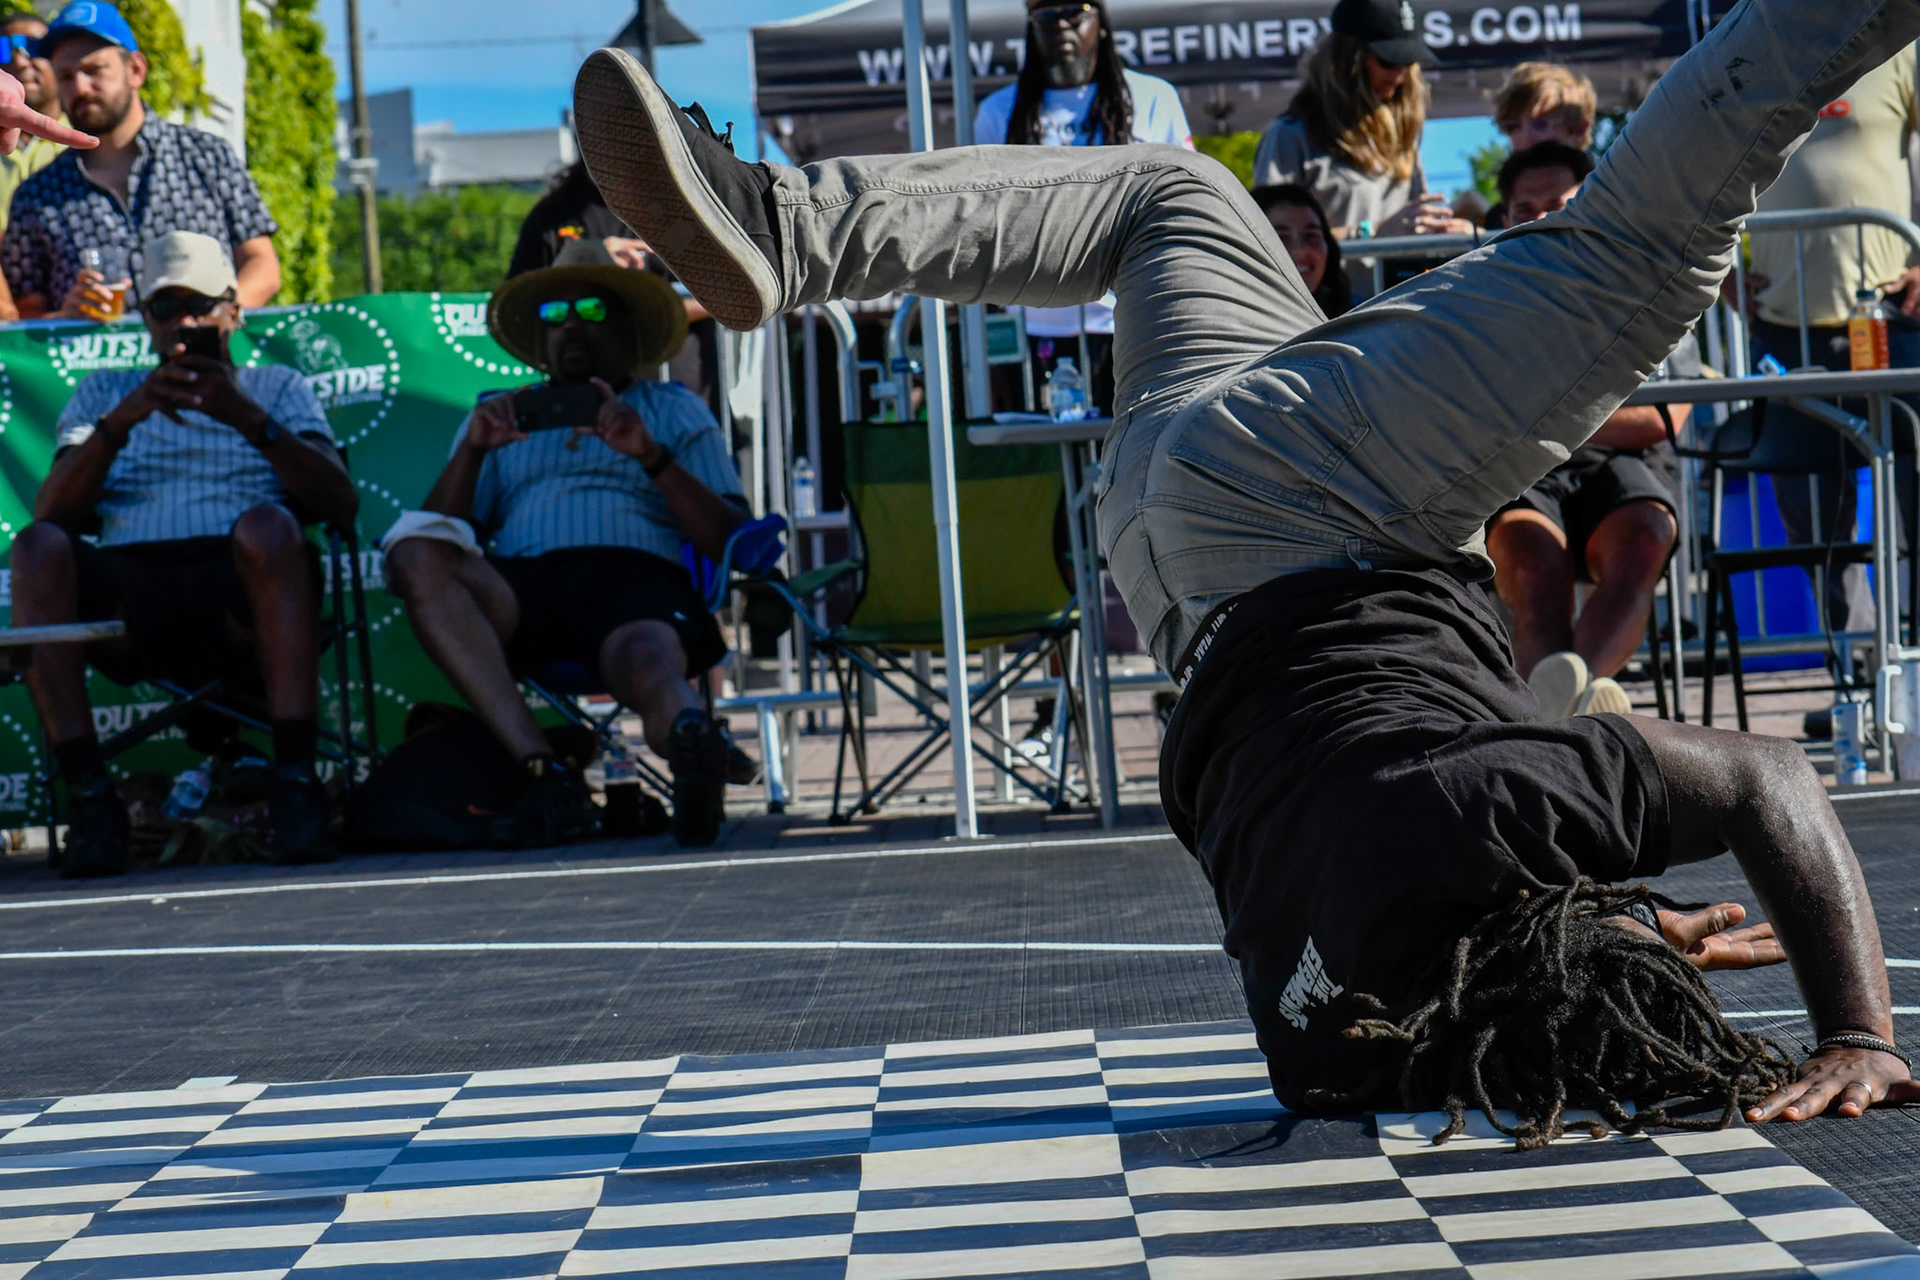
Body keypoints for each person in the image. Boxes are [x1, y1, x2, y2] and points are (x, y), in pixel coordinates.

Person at [573, 0, 1920, 1141]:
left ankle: (788, 226)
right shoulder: (1326, 1051)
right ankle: (782, 228)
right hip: (1167, 541)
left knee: (1635, 251)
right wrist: (1618, 942)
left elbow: (1772, 782)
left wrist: (1857, 1030)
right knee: (1174, 195)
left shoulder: (1492, 804)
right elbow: (1427, 908)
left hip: (1322, 500)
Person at [7, 231, 355, 876]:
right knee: (35, 546)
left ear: (234, 311)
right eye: (165, 308)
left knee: (270, 527)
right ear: (146, 320)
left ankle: (296, 785)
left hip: (241, 585)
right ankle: (90, 797)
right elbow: (53, 511)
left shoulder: (276, 386)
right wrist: (123, 421)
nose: (183, 324)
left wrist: (245, 416)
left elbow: (340, 503)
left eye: (199, 306)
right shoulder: (106, 392)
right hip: (132, 589)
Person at [384, 239, 749, 850]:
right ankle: (546, 772)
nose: (571, 325)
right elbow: (436, 531)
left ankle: (692, 745)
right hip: (526, 589)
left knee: (650, 659)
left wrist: (651, 456)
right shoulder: (502, 415)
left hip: (635, 584)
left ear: (627, 327)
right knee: (416, 554)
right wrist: (472, 450)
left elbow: (729, 538)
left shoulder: (671, 408)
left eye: (592, 310)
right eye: (555, 314)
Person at [1486, 142, 1695, 716]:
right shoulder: (1479, 297)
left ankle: (1558, 718)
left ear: (1592, 203)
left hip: (1618, 467)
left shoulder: (1654, 283)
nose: (1541, 219)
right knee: (1533, 570)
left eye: (1558, 204)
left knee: (1645, 540)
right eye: (1525, 209)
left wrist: (1541, 420)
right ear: (1505, 219)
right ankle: (1578, 714)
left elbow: (1663, 417)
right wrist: (1582, 422)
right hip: (1522, 474)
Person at [1745, 43, 1919, 634]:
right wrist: (1718, 277)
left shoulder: (1899, 43)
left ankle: (1915, 668)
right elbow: (1700, 178)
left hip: (1893, 317)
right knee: (1813, 520)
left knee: (1918, 493)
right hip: (1780, 327)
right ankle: (1858, 660)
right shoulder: (1741, 52)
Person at [973, 0, 1192, 416]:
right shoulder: (998, 112)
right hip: (1035, 328)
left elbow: (1183, 206)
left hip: (1133, 322)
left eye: (1075, 10)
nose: (1060, 25)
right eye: (1045, 15)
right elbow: (982, 229)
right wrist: (994, 357)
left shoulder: (1153, 98)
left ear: (1101, 23)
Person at [1, 1, 280, 321]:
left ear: (135, 70)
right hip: (94, 355)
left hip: (204, 352)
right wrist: (65, 318)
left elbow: (262, 265)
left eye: (94, 70)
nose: (80, 87)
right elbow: (24, 316)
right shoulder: (37, 194)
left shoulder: (207, 156)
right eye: (65, 76)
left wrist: (215, 318)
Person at [1252, 0, 1470, 243]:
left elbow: (1413, 229)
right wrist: (1370, 232)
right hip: (1329, 271)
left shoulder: (1401, 135)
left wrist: (1448, 233)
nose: (1399, 74)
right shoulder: (1289, 135)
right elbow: (1267, 242)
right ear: (1348, 58)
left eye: (1408, 61)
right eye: (1388, 61)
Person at [1484, 62, 1597, 230]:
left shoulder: (1614, 201)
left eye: (1540, 124)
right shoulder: (1496, 219)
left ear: (1578, 130)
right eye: (1513, 127)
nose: (1526, 137)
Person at [1252, 183, 1354, 319]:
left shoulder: (1358, 317)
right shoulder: (1229, 321)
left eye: (1311, 235)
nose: (1299, 251)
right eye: (1280, 238)